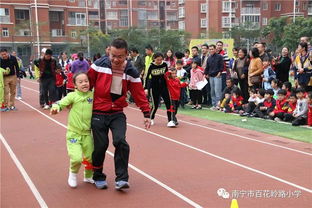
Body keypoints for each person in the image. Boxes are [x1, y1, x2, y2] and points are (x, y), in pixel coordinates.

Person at [87, 38, 151, 190]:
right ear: (109, 51)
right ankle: (98, 176)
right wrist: (74, 101)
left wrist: (146, 114)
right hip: (98, 111)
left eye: (120, 56)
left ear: (126, 54)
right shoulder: (98, 65)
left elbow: (139, 93)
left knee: (120, 141)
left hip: (117, 112)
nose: (115, 59)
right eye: (113, 55)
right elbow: (86, 84)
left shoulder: (131, 71)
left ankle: (122, 178)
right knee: (100, 145)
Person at [51, 72, 94, 188]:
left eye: (86, 81)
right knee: (76, 157)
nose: (84, 84)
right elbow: (60, 103)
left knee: (90, 157)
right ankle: (73, 174)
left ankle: (88, 176)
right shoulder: (72, 96)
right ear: (75, 85)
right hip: (73, 133)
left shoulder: (92, 95)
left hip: (87, 134)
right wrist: (55, 108)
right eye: (80, 82)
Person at [144, 52, 171, 125]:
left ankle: (170, 120)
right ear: (154, 59)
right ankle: (151, 118)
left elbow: (167, 75)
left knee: (168, 103)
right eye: (157, 60)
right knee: (155, 105)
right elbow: (146, 77)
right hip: (154, 87)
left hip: (163, 86)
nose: (159, 61)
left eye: (161, 60)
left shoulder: (164, 64)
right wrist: (146, 88)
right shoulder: (151, 66)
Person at [205, 44, 224, 110]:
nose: (211, 50)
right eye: (210, 49)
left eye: (212, 49)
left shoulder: (219, 57)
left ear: (215, 49)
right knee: (212, 91)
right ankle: (214, 104)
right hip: (211, 76)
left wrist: (219, 73)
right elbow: (207, 67)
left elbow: (222, 66)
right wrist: (206, 74)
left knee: (217, 91)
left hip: (217, 76)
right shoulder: (209, 58)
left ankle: (218, 105)